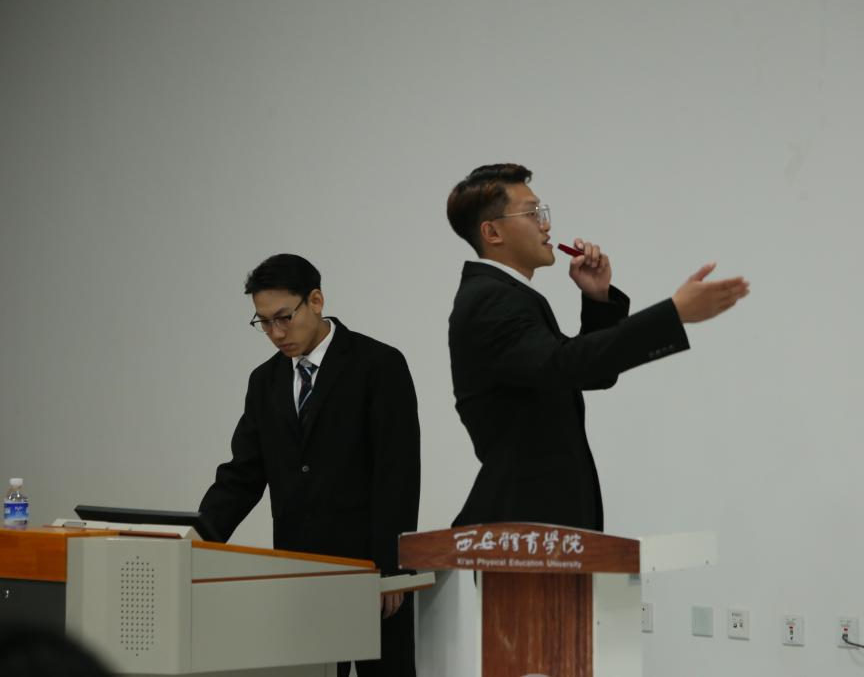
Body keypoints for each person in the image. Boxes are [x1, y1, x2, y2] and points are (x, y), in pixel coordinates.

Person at [446, 164, 749, 531]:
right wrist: (673, 314)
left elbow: (589, 374)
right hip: (521, 523)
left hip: (537, 518)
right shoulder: (490, 298)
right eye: (532, 214)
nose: (546, 225)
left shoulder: (503, 295)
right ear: (492, 232)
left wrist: (598, 299)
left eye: (543, 212)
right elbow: (563, 365)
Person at [198, 253, 420, 677]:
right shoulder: (265, 381)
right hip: (299, 573)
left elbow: (398, 474)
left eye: (284, 317)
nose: (276, 333)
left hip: (369, 571)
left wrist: (390, 568)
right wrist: (197, 539)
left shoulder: (378, 364)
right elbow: (242, 476)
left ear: (315, 301)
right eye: (264, 322)